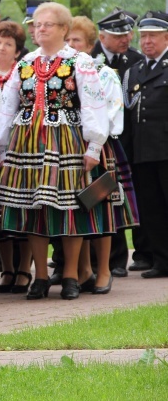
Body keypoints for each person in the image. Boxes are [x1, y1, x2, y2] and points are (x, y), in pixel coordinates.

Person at [0, 2, 111, 300]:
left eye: (46, 24)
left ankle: (71, 274)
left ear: (63, 29)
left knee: (70, 208)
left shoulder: (80, 62)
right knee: (34, 208)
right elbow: (8, 107)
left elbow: (94, 104)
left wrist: (94, 145)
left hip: (66, 140)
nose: (39, 29)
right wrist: (3, 146)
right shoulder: (25, 63)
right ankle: (40, 277)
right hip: (28, 141)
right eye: (36, 24)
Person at [67, 15, 135, 293]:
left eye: (76, 40)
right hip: (69, 146)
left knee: (100, 206)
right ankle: (83, 268)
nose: (71, 45)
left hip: (100, 146)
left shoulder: (104, 73)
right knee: (76, 207)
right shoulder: (63, 71)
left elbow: (109, 115)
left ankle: (105, 269)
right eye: (67, 39)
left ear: (90, 44)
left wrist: (93, 143)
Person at [91, 8, 145, 277]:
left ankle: (120, 260)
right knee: (100, 197)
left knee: (119, 199)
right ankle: (104, 260)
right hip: (99, 142)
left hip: (127, 141)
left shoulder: (136, 59)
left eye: (128, 33)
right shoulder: (88, 60)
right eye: (118, 34)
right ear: (102, 36)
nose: (126, 38)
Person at [122, 11, 168, 279]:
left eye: (153, 36)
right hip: (143, 151)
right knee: (151, 209)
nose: (147, 41)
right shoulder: (135, 71)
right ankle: (162, 260)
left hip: (165, 150)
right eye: (144, 36)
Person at [0, 20, 34, 294]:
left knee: (21, 207)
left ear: (17, 51)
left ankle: (24, 270)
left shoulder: (22, 73)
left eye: (8, 44)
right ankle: (7, 269)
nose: (1, 48)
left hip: (17, 145)